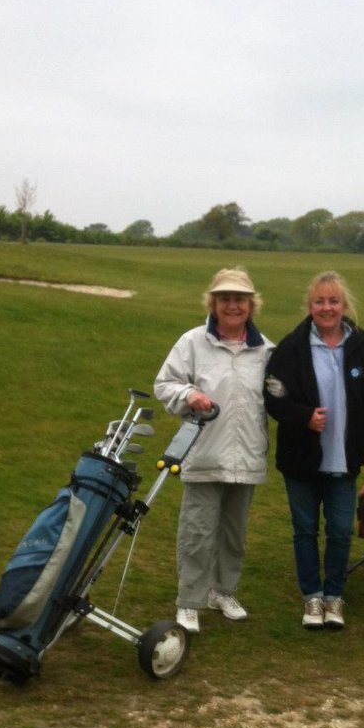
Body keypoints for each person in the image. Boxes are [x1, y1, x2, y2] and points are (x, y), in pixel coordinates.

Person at [264, 270, 364, 630]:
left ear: (344, 305)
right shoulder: (291, 348)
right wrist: (304, 417)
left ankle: (334, 595)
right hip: (301, 461)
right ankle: (312, 598)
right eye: (320, 301)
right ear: (310, 306)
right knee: (305, 530)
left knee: (339, 530)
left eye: (333, 301)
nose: (327, 308)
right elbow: (273, 397)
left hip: (343, 459)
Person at [154, 267, 274, 633]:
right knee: (198, 532)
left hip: (247, 456)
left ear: (251, 305)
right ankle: (189, 600)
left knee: (234, 533)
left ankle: (223, 592)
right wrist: (188, 394)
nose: (232, 306)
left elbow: (280, 396)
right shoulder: (192, 342)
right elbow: (165, 384)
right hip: (205, 454)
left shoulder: (266, 350)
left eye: (239, 299)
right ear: (213, 302)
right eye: (225, 299)